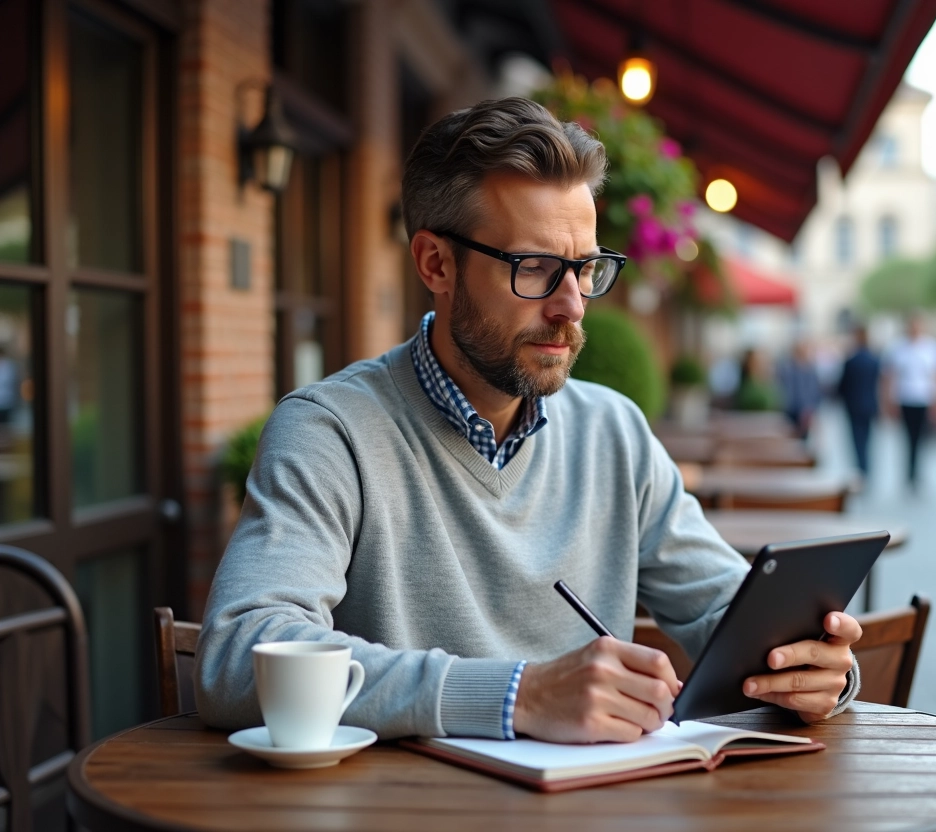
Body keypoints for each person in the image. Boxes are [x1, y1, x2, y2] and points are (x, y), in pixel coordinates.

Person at [195, 98, 862, 744]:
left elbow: (725, 609)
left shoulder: (615, 433)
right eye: (536, 268)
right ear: (436, 263)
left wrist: (811, 667)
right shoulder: (330, 432)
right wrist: (516, 695)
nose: (572, 305)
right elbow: (241, 654)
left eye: (585, 268)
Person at [884, 315, 936, 490]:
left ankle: (917, 473)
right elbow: (889, 376)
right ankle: (909, 473)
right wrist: (889, 401)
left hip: (924, 399)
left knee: (922, 439)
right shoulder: (897, 348)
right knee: (907, 438)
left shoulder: (932, 347)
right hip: (905, 399)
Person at [836, 325, 880, 479]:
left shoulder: (851, 361)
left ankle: (860, 469)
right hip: (869, 405)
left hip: (853, 406)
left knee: (856, 440)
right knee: (867, 439)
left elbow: (842, 386)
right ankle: (865, 468)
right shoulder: (874, 360)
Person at [775, 339, 822, 440]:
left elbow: (815, 392)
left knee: (803, 439)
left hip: (805, 411)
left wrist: (811, 409)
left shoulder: (810, 369)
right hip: (789, 409)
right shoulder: (786, 368)